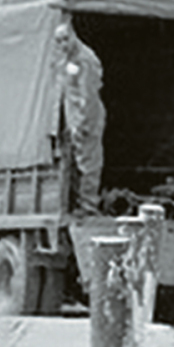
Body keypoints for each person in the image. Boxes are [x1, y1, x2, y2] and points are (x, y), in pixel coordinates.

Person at [54, 21, 106, 216]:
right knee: (75, 163)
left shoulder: (85, 60)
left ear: (74, 35)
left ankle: (88, 206)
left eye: (66, 39)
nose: (63, 44)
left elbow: (88, 95)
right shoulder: (70, 60)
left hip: (87, 119)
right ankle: (78, 203)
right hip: (74, 120)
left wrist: (83, 123)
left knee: (89, 163)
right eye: (58, 41)